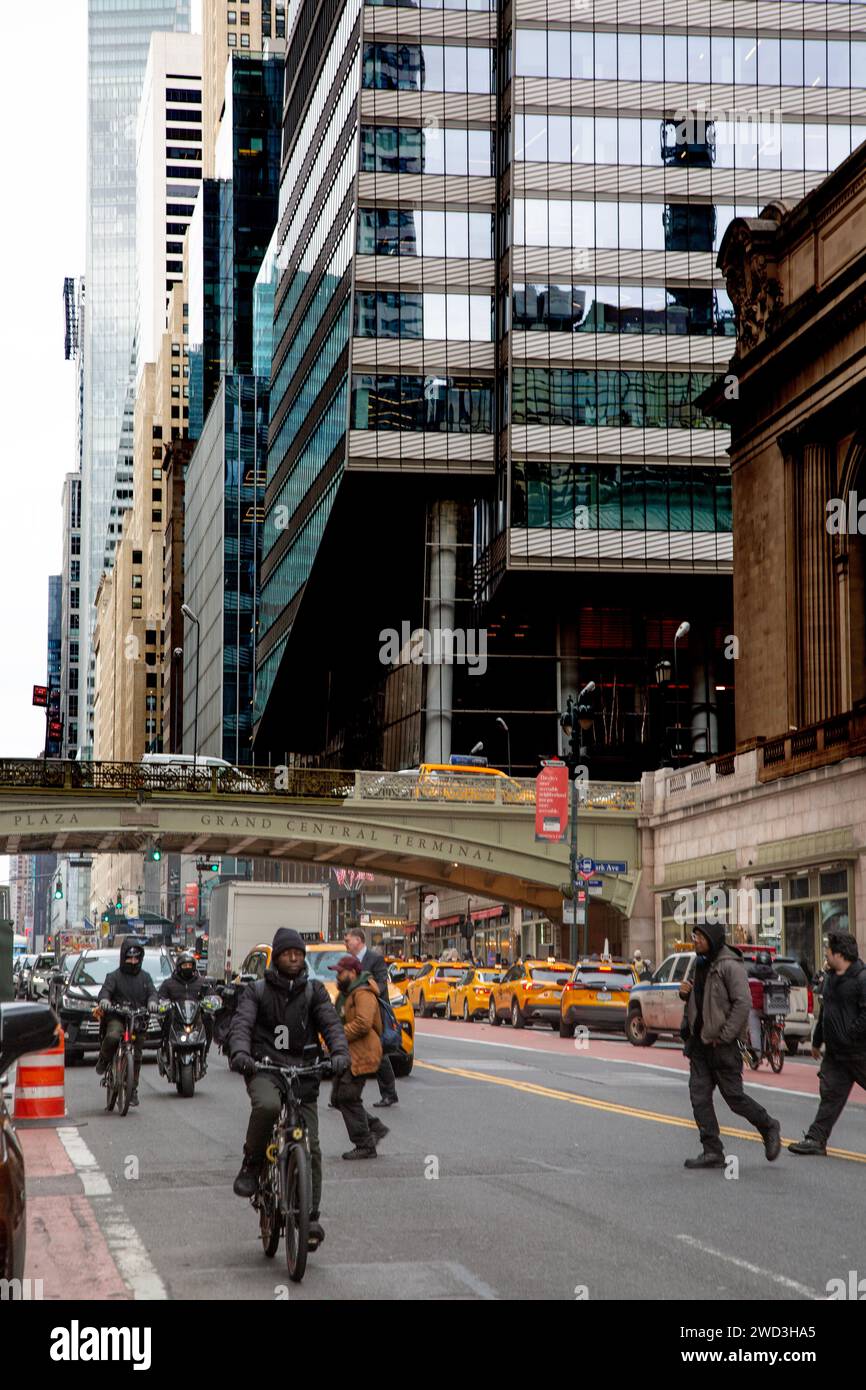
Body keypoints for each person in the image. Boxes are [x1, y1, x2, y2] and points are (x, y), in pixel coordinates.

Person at [228, 928, 349, 1250]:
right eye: (287, 953)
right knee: (267, 1106)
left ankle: (310, 1218)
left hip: (304, 1071)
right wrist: (240, 1053)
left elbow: (331, 1024)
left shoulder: (315, 992)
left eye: (298, 953)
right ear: (277, 958)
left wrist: (339, 1054)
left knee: (313, 1146)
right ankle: (252, 1166)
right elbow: (241, 1024)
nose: (293, 958)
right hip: (265, 1068)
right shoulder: (257, 991)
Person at [679, 923, 781, 1168]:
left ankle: (769, 1126)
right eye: (695, 936)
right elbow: (702, 999)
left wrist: (725, 1036)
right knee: (699, 1098)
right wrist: (686, 994)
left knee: (734, 1098)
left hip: (723, 1046)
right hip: (700, 1046)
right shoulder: (700, 963)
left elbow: (743, 1003)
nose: (696, 941)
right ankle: (712, 1150)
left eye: (700, 937)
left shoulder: (729, 965)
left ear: (713, 939)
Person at [789, 931, 866, 1155]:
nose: (825, 954)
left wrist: (850, 1034)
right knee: (830, 1096)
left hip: (858, 1053)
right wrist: (817, 1041)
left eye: (828, 950)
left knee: (831, 1095)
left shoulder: (861, 979)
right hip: (835, 1054)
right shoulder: (830, 978)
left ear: (839, 954)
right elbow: (826, 1013)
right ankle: (816, 1139)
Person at [329, 954, 388, 1159]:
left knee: (347, 1098)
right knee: (337, 1098)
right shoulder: (346, 993)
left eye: (340, 972)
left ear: (352, 973)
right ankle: (375, 1127)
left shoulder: (363, 993)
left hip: (363, 1053)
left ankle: (365, 1144)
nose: (337, 976)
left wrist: (337, 1034)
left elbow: (363, 1024)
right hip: (348, 1053)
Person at [94, 939, 159, 1107]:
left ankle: (132, 1090)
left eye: (136, 958)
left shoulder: (146, 977)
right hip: (117, 1016)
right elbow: (105, 992)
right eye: (129, 958)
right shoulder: (114, 976)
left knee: (136, 1055)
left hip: (138, 1019)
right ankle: (104, 1059)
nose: (133, 961)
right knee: (114, 1036)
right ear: (123, 958)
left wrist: (153, 1002)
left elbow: (153, 992)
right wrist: (105, 1001)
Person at [344, 925, 398, 1110]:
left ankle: (389, 1094)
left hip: (374, 1014)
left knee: (378, 1054)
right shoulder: (349, 960)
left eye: (347, 940)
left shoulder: (374, 959)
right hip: (355, 1012)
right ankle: (344, 1095)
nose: (345, 944)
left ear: (358, 941)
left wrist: (365, 992)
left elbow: (382, 983)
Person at [158, 949, 214, 1064]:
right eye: (184, 965)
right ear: (179, 967)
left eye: (190, 965)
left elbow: (211, 995)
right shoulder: (168, 983)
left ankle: (205, 1051)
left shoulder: (202, 983)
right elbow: (160, 997)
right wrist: (161, 1004)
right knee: (166, 1020)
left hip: (196, 1018)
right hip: (176, 1019)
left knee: (209, 1019)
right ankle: (165, 1050)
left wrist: (212, 1002)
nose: (187, 967)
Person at [746, 950, 777, 1060]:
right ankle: (774, 1040)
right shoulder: (774, 975)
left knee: (754, 1029)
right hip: (772, 1007)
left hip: (755, 1007)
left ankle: (757, 1055)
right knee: (774, 1021)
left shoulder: (749, 973)